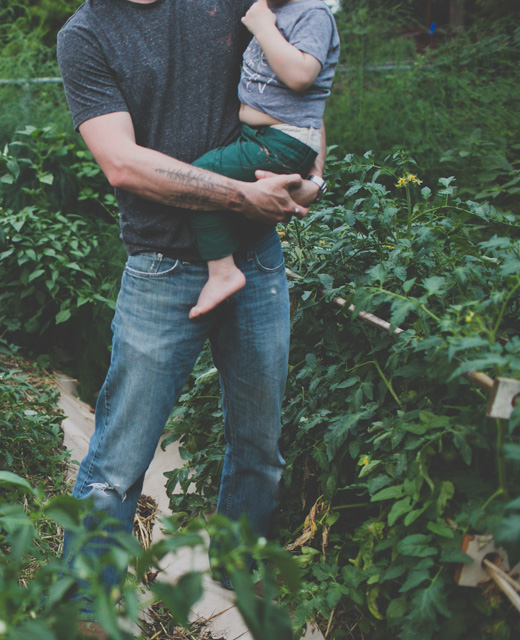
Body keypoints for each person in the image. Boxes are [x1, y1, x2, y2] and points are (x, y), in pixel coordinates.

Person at [56, 0, 324, 607]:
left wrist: (313, 177)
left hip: (256, 261)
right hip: (161, 266)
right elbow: (121, 164)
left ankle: (237, 573)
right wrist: (238, 195)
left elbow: (299, 89)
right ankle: (85, 605)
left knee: (260, 445)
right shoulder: (86, 34)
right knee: (119, 458)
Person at [189, 0, 339, 317]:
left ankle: (223, 273)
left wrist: (263, 26)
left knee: (200, 178)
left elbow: (301, 76)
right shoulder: (269, 9)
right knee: (222, 189)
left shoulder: (312, 13)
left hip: (282, 140)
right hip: (265, 136)